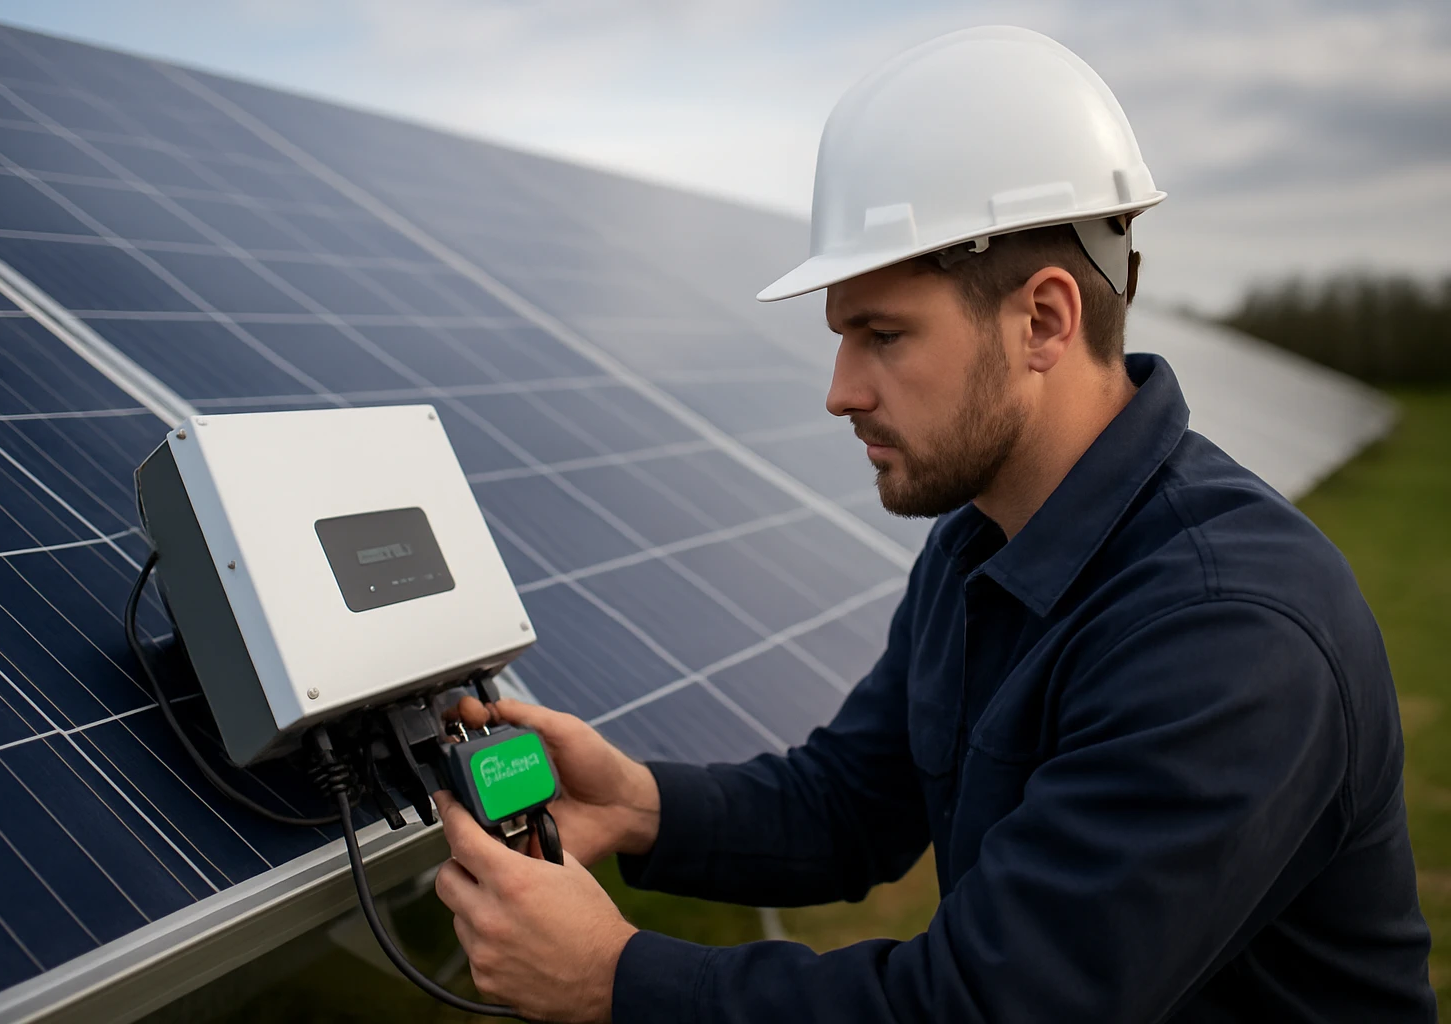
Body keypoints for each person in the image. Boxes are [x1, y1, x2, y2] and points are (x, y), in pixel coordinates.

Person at [430, 26, 1436, 1023]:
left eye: (884, 335)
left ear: (1044, 321)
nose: (839, 391)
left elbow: (987, 1005)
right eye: (841, 337)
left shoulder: (1228, 632)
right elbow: (853, 801)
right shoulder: (984, 540)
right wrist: (638, 801)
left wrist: (615, 977)